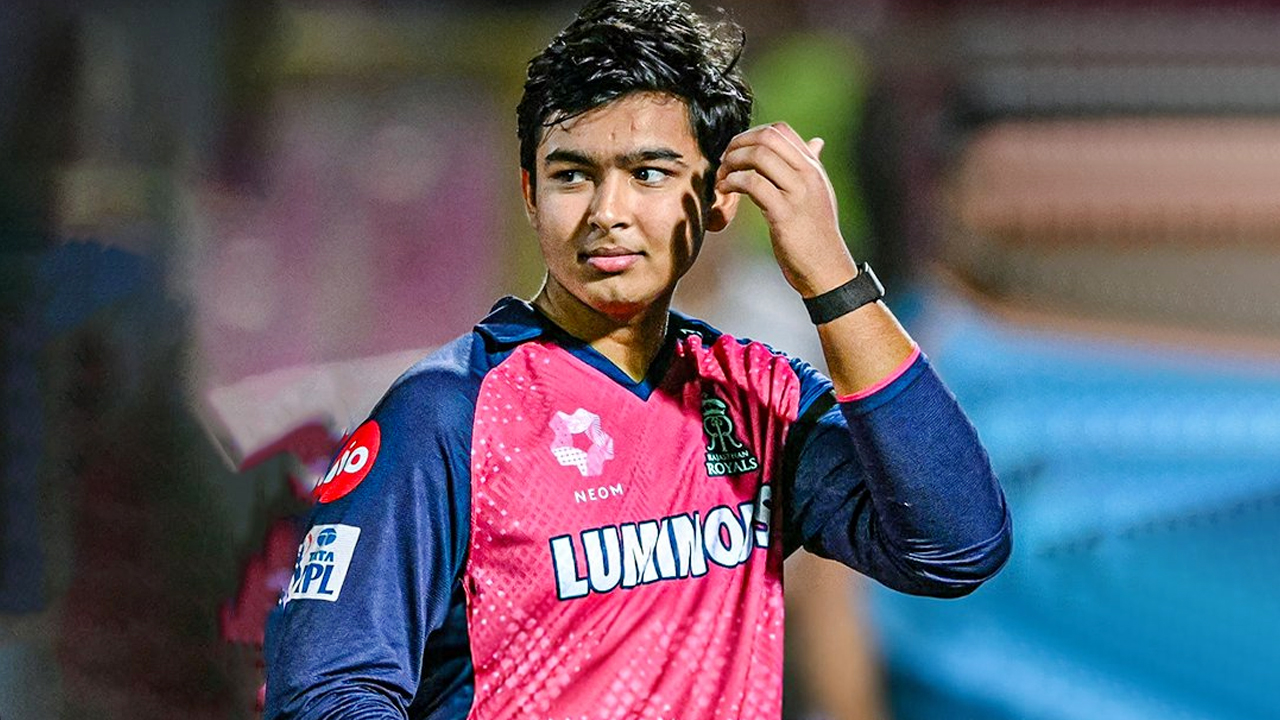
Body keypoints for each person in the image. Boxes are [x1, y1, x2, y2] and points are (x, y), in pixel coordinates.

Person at [263, 1, 1012, 718]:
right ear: (529, 194)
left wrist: (832, 278)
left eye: (648, 173)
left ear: (717, 199)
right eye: (572, 175)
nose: (607, 213)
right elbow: (327, 690)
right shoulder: (447, 414)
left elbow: (956, 546)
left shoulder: (754, 395)